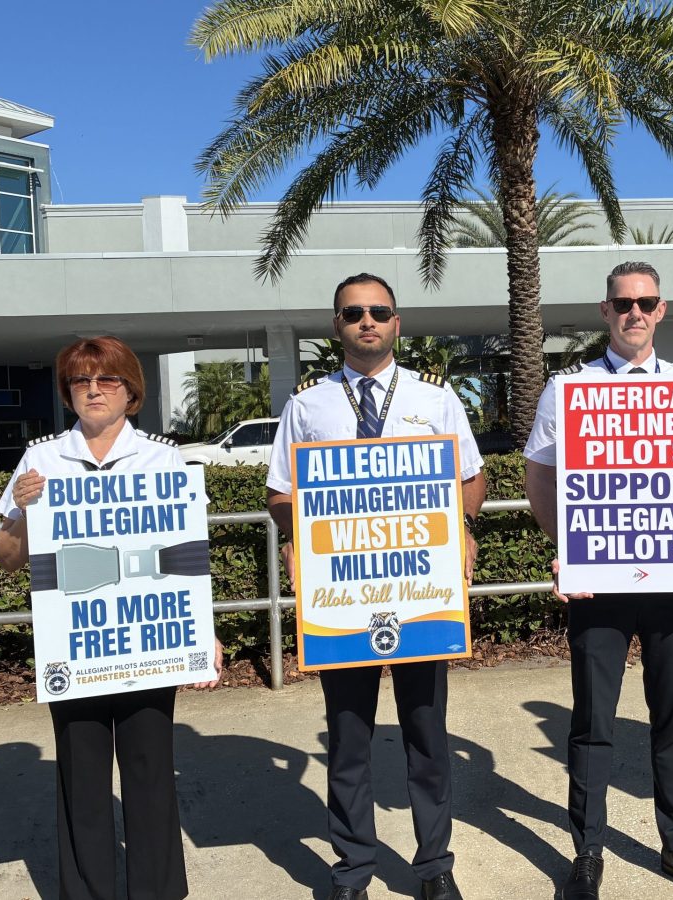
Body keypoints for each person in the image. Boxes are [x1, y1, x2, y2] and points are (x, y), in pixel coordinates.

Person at [524, 261, 673, 900]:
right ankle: (587, 853)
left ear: (661, 309)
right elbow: (539, 473)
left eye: (645, 302)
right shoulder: (570, 390)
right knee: (593, 722)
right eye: (623, 303)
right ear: (605, 310)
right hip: (600, 585)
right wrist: (564, 544)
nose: (634, 313)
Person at [267, 273, 486, 900]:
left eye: (379, 311)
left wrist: (463, 527)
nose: (367, 321)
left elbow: (472, 477)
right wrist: (299, 534)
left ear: (397, 323)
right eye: (353, 312)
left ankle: (434, 867)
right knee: (349, 738)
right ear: (336, 325)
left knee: (426, 734)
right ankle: (354, 869)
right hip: (344, 597)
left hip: (421, 594)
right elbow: (282, 491)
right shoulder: (307, 406)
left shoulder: (437, 397)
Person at [0, 335, 222, 900]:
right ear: (68, 393)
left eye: (108, 380)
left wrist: (205, 633)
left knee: (150, 776)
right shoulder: (40, 459)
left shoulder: (164, 457)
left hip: (149, 640)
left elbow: (188, 558)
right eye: (81, 382)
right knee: (82, 778)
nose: (94, 391)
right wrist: (21, 511)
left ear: (132, 393)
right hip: (75, 644)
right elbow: (6, 557)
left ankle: (159, 891)